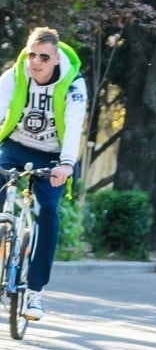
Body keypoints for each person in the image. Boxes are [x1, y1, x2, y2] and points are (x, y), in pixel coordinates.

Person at [0, 27, 88, 320]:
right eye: (32, 54)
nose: (36, 62)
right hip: (15, 147)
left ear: (55, 59)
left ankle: (35, 292)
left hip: (53, 155)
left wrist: (66, 164)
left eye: (44, 57)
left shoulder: (74, 84)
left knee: (47, 212)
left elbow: (74, 126)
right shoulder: (15, 75)